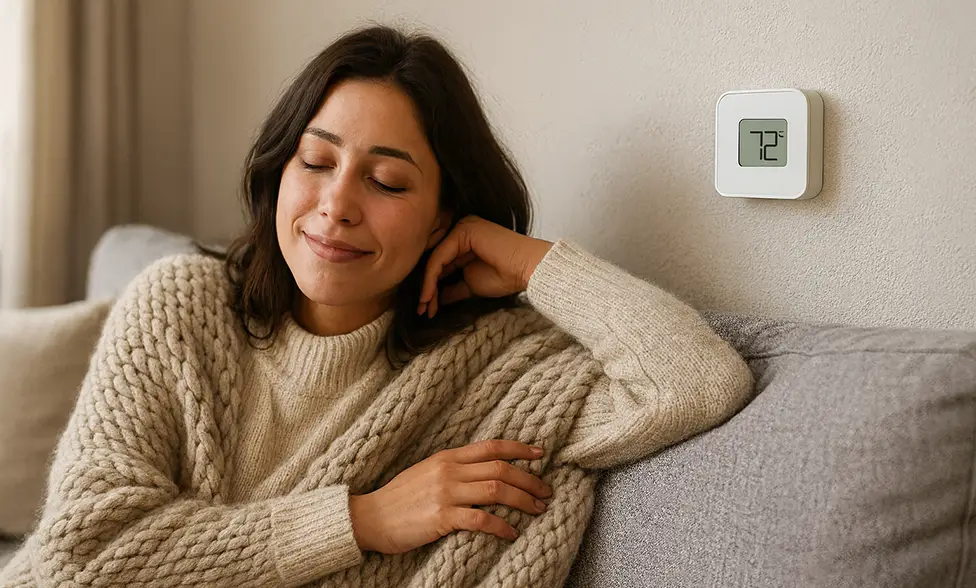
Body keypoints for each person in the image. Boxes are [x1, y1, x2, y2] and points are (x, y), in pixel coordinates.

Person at [0, 25, 754, 588]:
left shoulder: (499, 373)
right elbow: (81, 555)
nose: (336, 207)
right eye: (318, 161)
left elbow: (694, 383)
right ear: (278, 172)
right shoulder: (177, 305)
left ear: (441, 217)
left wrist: (531, 264)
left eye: (387, 183)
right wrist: (364, 519)